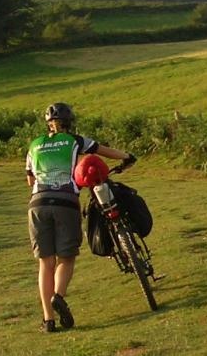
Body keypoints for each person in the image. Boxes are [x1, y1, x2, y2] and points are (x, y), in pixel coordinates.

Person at [25, 102, 135, 332]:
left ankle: (48, 320)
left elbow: (30, 180)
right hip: (66, 202)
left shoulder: (34, 145)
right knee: (66, 258)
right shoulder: (75, 140)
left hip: (37, 204)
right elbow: (103, 150)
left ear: (48, 125)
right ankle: (59, 296)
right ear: (69, 123)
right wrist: (127, 156)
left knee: (45, 262)